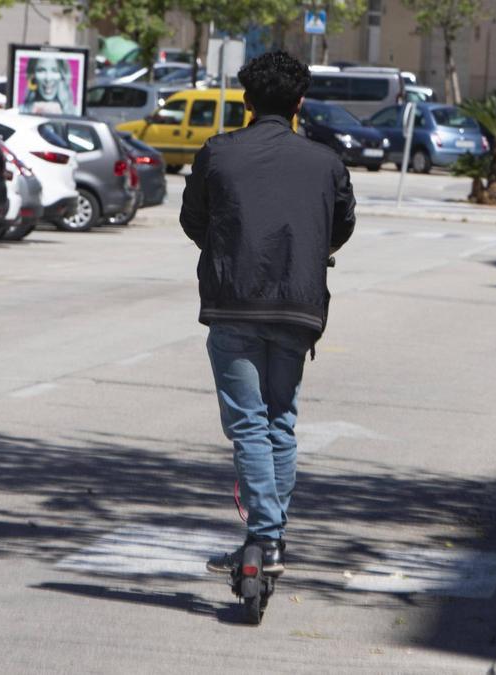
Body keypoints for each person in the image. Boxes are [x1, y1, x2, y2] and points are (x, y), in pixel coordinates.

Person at [180, 51, 356, 576]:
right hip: (298, 308)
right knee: (280, 423)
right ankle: (271, 538)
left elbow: (194, 220)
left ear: (246, 101)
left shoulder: (218, 152)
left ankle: (264, 538)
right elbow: (341, 228)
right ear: (300, 103)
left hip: (233, 303)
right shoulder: (326, 161)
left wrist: (226, 247)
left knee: (249, 426)